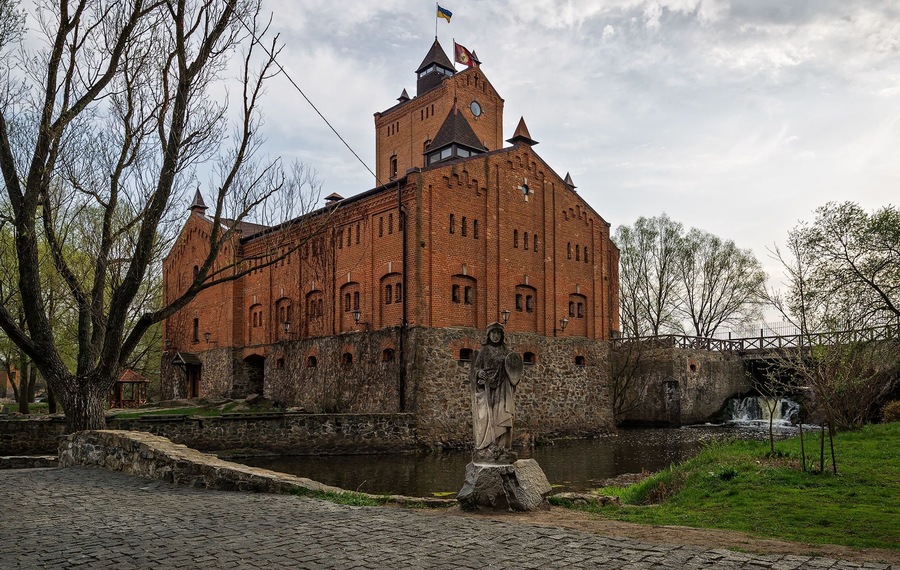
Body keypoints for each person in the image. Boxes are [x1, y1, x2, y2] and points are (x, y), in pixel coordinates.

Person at [470, 323, 523, 459]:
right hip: (488, 385)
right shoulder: (484, 351)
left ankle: (502, 446)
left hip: (503, 387)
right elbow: (476, 368)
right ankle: (487, 446)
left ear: (501, 335)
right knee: (488, 415)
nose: (495, 336)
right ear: (489, 335)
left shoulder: (506, 350)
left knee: (503, 414)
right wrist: (479, 373)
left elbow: (512, 367)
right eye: (493, 334)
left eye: (498, 334)